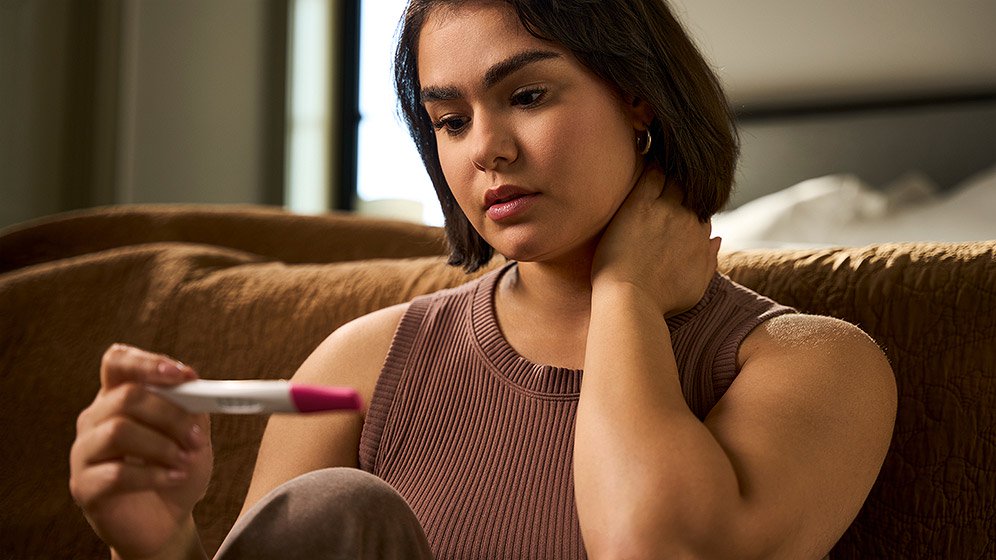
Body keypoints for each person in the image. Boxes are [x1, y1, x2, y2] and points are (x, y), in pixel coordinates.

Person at [69, 1, 897, 558]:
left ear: (640, 100)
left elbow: (661, 547)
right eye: (450, 120)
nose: (484, 150)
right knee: (335, 508)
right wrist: (162, 547)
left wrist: (625, 297)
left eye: (527, 95)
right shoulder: (359, 367)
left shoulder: (810, 366)